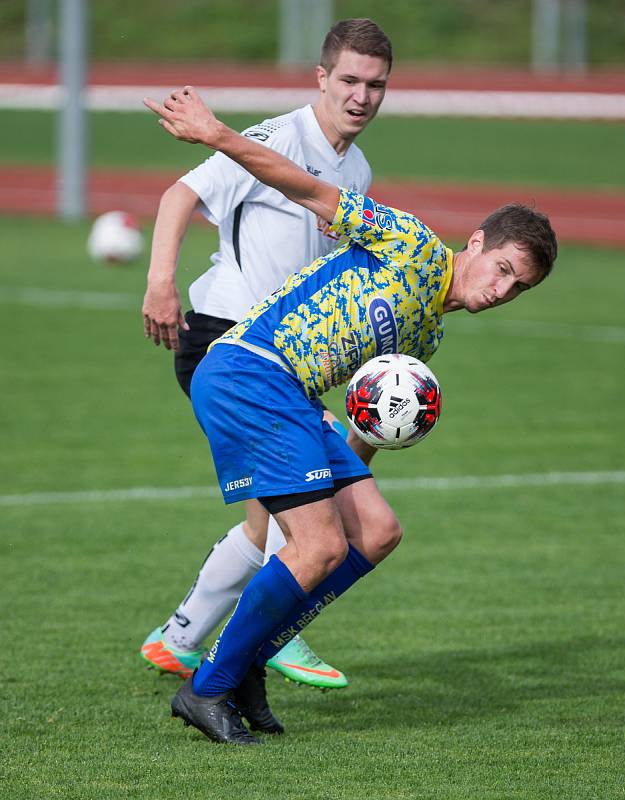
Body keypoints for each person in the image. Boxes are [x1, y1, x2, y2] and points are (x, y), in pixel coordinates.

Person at [143, 84, 557, 746]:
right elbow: (309, 190)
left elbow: (362, 428)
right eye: (502, 269)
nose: (500, 291)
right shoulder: (413, 244)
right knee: (317, 545)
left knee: (376, 532)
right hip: (249, 369)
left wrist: (346, 475)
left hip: (290, 396)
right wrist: (217, 135)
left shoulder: (424, 343)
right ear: (475, 243)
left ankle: (242, 662)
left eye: (518, 287)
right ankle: (210, 686)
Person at [139, 18, 392, 694]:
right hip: (224, 341)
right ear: (321, 77)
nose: (361, 96)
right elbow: (180, 193)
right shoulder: (278, 138)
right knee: (310, 515)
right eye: (349, 80)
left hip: (280, 362)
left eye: (375, 85)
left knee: (272, 510)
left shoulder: (356, 168)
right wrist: (160, 281)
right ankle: (280, 637)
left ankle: (181, 637)